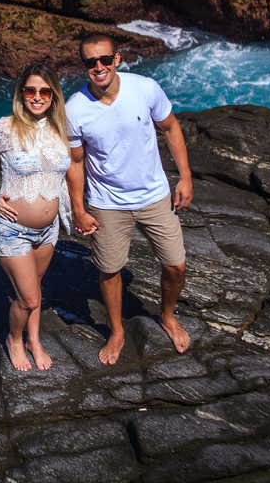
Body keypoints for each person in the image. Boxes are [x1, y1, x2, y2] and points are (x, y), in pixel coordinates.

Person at [65, 32, 193, 364]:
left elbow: (171, 127)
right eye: (91, 62)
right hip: (107, 203)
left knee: (176, 266)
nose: (99, 67)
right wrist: (78, 209)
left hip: (155, 196)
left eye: (105, 59)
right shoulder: (75, 110)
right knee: (109, 270)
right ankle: (117, 331)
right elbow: (75, 162)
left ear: (117, 59)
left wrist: (186, 177)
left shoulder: (145, 88)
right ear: (84, 66)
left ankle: (166, 315)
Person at [0, 62, 72, 371]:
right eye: (30, 90)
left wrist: (76, 212)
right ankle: (14, 339)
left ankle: (34, 341)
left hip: (49, 230)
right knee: (28, 299)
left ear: (53, 95)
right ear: (21, 93)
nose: (37, 96)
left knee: (36, 290)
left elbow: (66, 174)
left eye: (44, 91)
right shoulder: (6, 127)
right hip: (12, 229)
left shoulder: (59, 129)